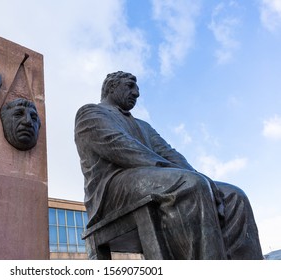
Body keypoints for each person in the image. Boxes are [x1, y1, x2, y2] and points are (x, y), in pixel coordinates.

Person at [74, 71, 263, 259]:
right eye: (130, 86)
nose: (137, 93)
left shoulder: (143, 126)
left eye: (137, 88)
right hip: (111, 189)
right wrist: (189, 177)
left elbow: (168, 152)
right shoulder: (90, 112)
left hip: (150, 177)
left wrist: (204, 179)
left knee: (233, 195)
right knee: (189, 184)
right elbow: (121, 148)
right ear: (112, 87)